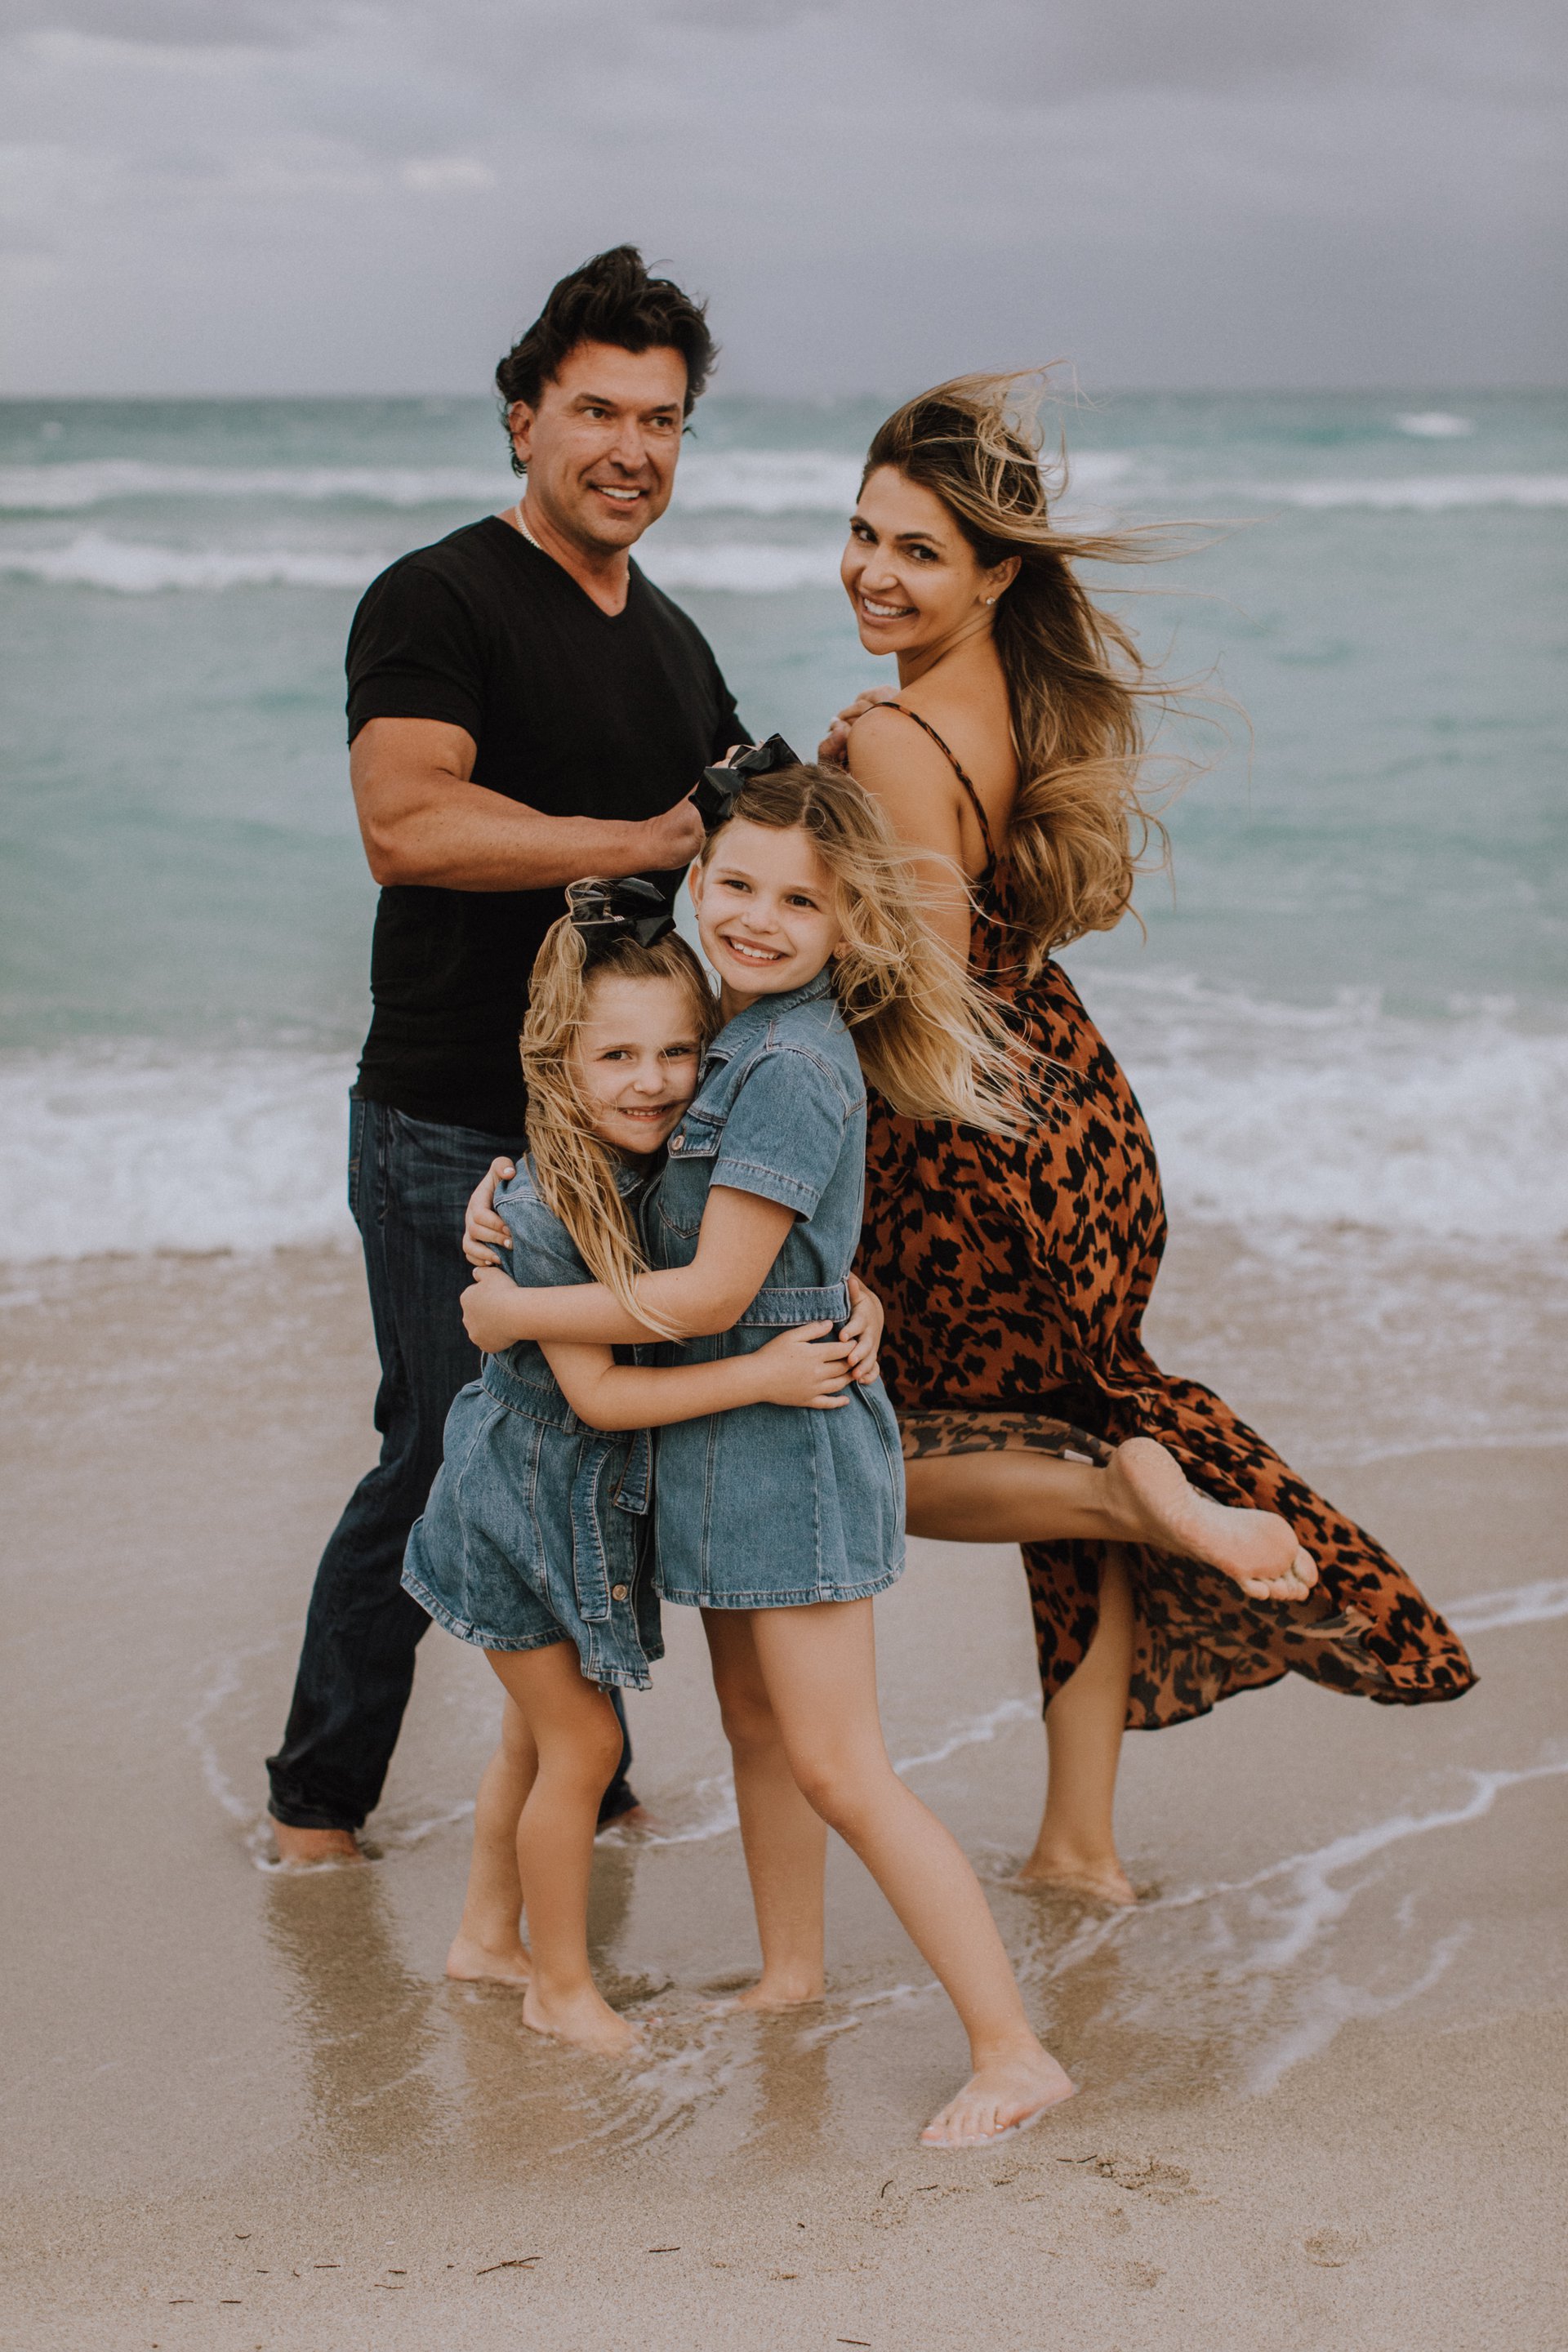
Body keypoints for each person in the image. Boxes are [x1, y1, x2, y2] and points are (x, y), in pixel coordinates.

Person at [826, 374, 1477, 1905]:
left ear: (997, 573)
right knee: (1072, 1418)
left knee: (850, 1448)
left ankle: (1131, 1492)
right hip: (1076, 1118)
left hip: (968, 1142)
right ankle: (1080, 1842)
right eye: (862, 534)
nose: (872, 571)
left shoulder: (903, 734)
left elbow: (919, 1007)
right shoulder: (1011, 702)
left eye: (917, 551)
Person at [463, 762, 1086, 2149]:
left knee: (843, 1765)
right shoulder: (731, 1031)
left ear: (850, 921)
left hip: (783, 1442)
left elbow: (709, 1293)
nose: (756, 916)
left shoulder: (791, 1062)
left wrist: (514, 1312)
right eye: (736, 883)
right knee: (757, 1730)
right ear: (697, 880)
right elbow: (660, 1198)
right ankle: (791, 1972)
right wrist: (504, 1201)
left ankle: (1011, 2050)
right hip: (724, 1438)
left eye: (799, 901)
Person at [265, 246, 746, 1861]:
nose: (632, 449)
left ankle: (589, 1777)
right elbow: (405, 824)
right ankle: (321, 1800)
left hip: (616, 1130)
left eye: (662, 421)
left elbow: (751, 855)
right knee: (440, 1454)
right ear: (524, 418)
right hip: (448, 1119)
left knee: (597, 1446)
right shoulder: (441, 596)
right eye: (598, 411)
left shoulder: (674, 642)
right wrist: (640, 842)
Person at [405, 889, 880, 2054]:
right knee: (584, 1746)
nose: (653, 1082)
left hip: (572, 1500)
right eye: (615, 1056)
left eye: (678, 1053)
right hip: (522, 1504)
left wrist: (850, 1295)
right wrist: (763, 1376)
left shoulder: (647, 1172)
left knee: (532, 1738)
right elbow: (603, 1398)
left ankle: (485, 1938)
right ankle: (559, 1987)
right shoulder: (547, 1209)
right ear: (556, 1060)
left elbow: (743, 1252)